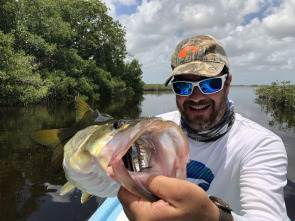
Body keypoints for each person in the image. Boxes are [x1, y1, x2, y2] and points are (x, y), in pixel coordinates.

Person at [118, 35, 288, 220]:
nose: (196, 96)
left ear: (227, 83)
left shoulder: (260, 144)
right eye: (183, 86)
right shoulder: (154, 129)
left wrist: (210, 216)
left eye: (209, 84)